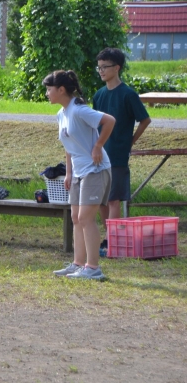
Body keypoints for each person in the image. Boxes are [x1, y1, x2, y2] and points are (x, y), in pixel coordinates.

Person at [44, 70, 115, 280]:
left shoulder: (79, 110)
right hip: (78, 172)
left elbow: (109, 121)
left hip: (95, 169)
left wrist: (98, 146)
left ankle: (93, 268)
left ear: (61, 90)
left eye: (49, 89)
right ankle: (78, 264)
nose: (47, 93)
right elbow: (69, 145)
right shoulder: (61, 114)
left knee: (85, 218)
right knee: (76, 218)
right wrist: (68, 173)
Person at [93, 48, 151, 255]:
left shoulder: (128, 94)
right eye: (99, 67)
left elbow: (145, 119)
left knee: (113, 198)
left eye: (105, 67)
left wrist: (130, 142)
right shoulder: (99, 95)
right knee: (100, 199)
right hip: (99, 154)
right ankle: (108, 237)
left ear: (117, 68)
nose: (101, 71)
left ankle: (114, 240)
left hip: (117, 154)